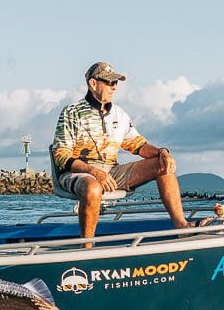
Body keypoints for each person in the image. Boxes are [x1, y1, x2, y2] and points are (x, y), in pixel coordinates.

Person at [51, 62, 192, 239]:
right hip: (78, 172)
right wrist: (93, 171)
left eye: (116, 83)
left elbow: (138, 144)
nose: (114, 87)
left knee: (163, 164)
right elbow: (61, 155)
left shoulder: (119, 114)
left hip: (111, 172)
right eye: (109, 83)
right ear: (93, 84)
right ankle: (86, 248)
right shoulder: (71, 113)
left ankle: (182, 228)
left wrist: (162, 152)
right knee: (93, 187)